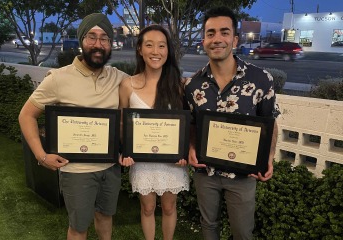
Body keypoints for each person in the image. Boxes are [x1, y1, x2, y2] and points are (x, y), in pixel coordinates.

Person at [18, 13, 129, 240]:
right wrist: (41, 155)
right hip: (76, 171)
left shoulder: (118, 77)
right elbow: (26, 115)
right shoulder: (58, 78)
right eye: (92, 37)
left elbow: (149, 84)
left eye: (104, 38)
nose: (98, 44)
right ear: (81, 41)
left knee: (105, 218)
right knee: (79, 228)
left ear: (110, 44)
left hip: (110, 167)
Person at [183, 6, 280, 240]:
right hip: (206, 171)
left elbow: (270, 122)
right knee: (208, 225)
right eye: (210, 33)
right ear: (204, 40)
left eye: (224, 32)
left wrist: (268, 156)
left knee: (242, 232)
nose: (217, 39)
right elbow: (192, 124)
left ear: (235, 39)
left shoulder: (260, 79)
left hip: (243, 174)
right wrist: (192, 147)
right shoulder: (192, 84)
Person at [119, 25, 189, 240]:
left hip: (171, 161)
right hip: (141, 160)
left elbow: (186, 125)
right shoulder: (127, 85)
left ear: (168, 51)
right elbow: (123, 124)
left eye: (161, 45)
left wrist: (184, 152)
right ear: (140, 49)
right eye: (149, 45)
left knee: (169, 207)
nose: (155, 51)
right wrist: (123, 151)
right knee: (147, 208)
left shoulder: (179, 86)